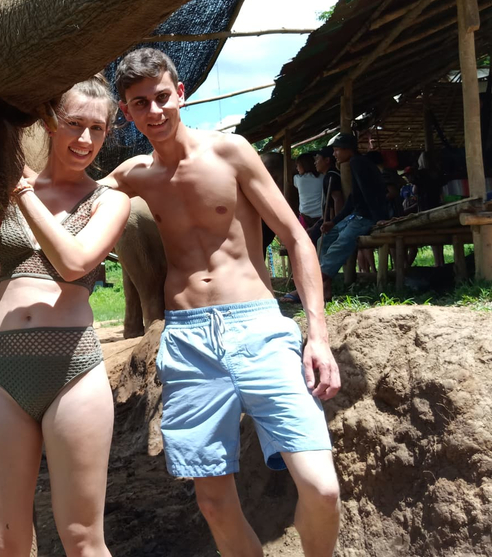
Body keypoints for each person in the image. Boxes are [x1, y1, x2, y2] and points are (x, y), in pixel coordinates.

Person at [102, 48, 340, 557]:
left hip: (256, 327)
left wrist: (316, 333)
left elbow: (297, 239)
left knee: (322, 487)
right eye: (140, 103)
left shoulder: (231, 152)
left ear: (180, 93)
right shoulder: (131, 177)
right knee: (213, 502)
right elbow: (70, 196)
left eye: (162, 96)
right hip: (187, 340)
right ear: (126, 112)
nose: (155, 110)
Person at [0, 75, 131, 557]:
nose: (85, 140)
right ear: (50, 123)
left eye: (98, 129)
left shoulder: (110, 200)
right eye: (74, 124)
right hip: (2, 373)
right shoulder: (3, 198)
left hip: (73, 373)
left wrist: (22, 192)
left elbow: (74, 263)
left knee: (82, 538)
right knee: (4, 539)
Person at [315, 134, 390, 299]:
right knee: (324, 239)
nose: (334, 154)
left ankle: (315, 282)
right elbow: (353, 199)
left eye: (336, 150)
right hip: (357, 215)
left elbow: (369, 193)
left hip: (366, 217)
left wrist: (378, 219)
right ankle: (325, 288)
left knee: (341, 243)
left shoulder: (358, 163)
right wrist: (333, 222)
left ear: (347, 150)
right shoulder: (355, 163)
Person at [293, 153, 324, 232]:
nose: (297, 168)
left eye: (298, 165)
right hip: (321, 215)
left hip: (305, 216)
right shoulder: (322, 177)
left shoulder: (297, 179)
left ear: (304, 165)